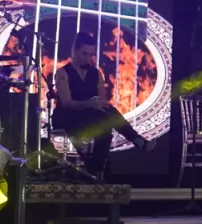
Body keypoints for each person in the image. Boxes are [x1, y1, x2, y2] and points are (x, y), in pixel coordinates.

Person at [53, 32, 156, 177]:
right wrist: (89, 104)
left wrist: (97, 103)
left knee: (106, 119)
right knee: (105, 120)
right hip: (67, 115)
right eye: (84, 54)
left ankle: (94, 169)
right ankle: (134, 141)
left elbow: (102, 99)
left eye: (91, 55)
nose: (88, 58)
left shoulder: (96, 73)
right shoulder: (63, 72)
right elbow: (67, 103)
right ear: (75, 50)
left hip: (89, 114)